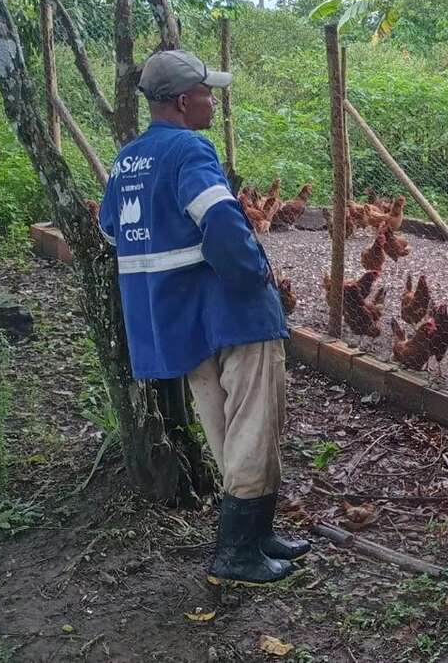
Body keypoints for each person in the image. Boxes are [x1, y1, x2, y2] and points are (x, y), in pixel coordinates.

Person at [98, 49, 303, 587]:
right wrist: (256, 278)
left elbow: (113, 232)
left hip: (177, 322)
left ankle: (255, 536)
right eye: (208, 93)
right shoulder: (191, 149)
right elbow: (220, 221)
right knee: (255, 426)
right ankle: (237, 552)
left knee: (225, 431)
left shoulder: (127, 161)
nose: (214, 100)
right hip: (231, 315)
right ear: (186, 102)